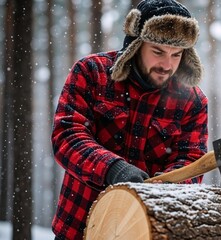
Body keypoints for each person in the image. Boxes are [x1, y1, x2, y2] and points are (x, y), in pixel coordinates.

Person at [51, 0, 208, 239]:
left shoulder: (193, 101)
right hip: (79, 227)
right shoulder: (91, 72)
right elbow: (67, 136)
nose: (167, 65)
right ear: (135, 46)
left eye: (176, 55)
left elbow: (191, 158)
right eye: (158, 52)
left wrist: (166, 189)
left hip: (146, 229)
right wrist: (113, 169)